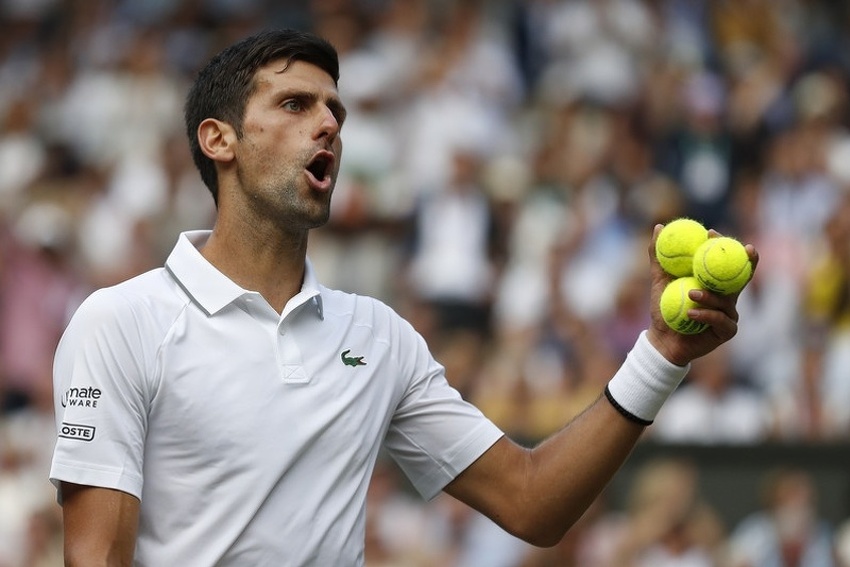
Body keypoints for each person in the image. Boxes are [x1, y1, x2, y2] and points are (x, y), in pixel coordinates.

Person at [49, 29, 757, 566]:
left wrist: (662, 354)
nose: (328, 124)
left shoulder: (378, 336)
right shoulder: (121, 322)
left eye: (335, 111)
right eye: (295, 104)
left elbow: (534, 501)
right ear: (219, 140)